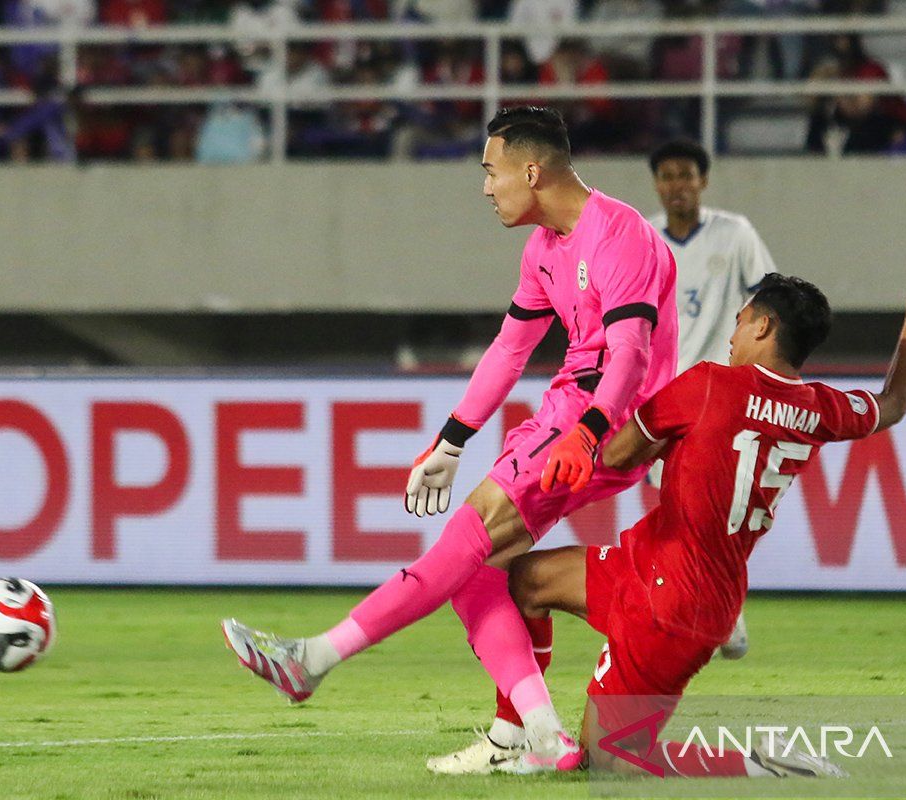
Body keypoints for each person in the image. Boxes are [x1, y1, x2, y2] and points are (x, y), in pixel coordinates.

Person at [222, 105, 679, 771]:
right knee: (479, 573)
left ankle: (313, 659)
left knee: (464, 541)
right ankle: (535, 738)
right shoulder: (544, 249)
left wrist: (586, 432)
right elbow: (509, 350)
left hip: (600, 419)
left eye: (491, 171)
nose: (486, 187)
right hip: (575, 417)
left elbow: (631, 356)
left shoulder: (620, 234)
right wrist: (449, 443)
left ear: (532, 168)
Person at [496, 249, 906, 775]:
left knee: (609, 762)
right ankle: (516, 733)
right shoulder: (820, 408)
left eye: (738, 323)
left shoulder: (709, 384)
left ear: (764, 326)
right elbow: (893, 403)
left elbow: (615, 455)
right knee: (526, 579)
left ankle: (769, 766)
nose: (731, 336)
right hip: (668, 574)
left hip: (673, 609)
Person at [648, 137, 778, 659]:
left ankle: (716, 610)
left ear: (703, 181)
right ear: (656, 184)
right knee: (685, 513)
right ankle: (713, 609)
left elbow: (771, 297)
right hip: (661, 396)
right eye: (667, 175)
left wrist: (760, 367)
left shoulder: (735, 234)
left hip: (722, 395)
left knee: (710, 511)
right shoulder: (644, 239)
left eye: (686, 175)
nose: (677, 185)